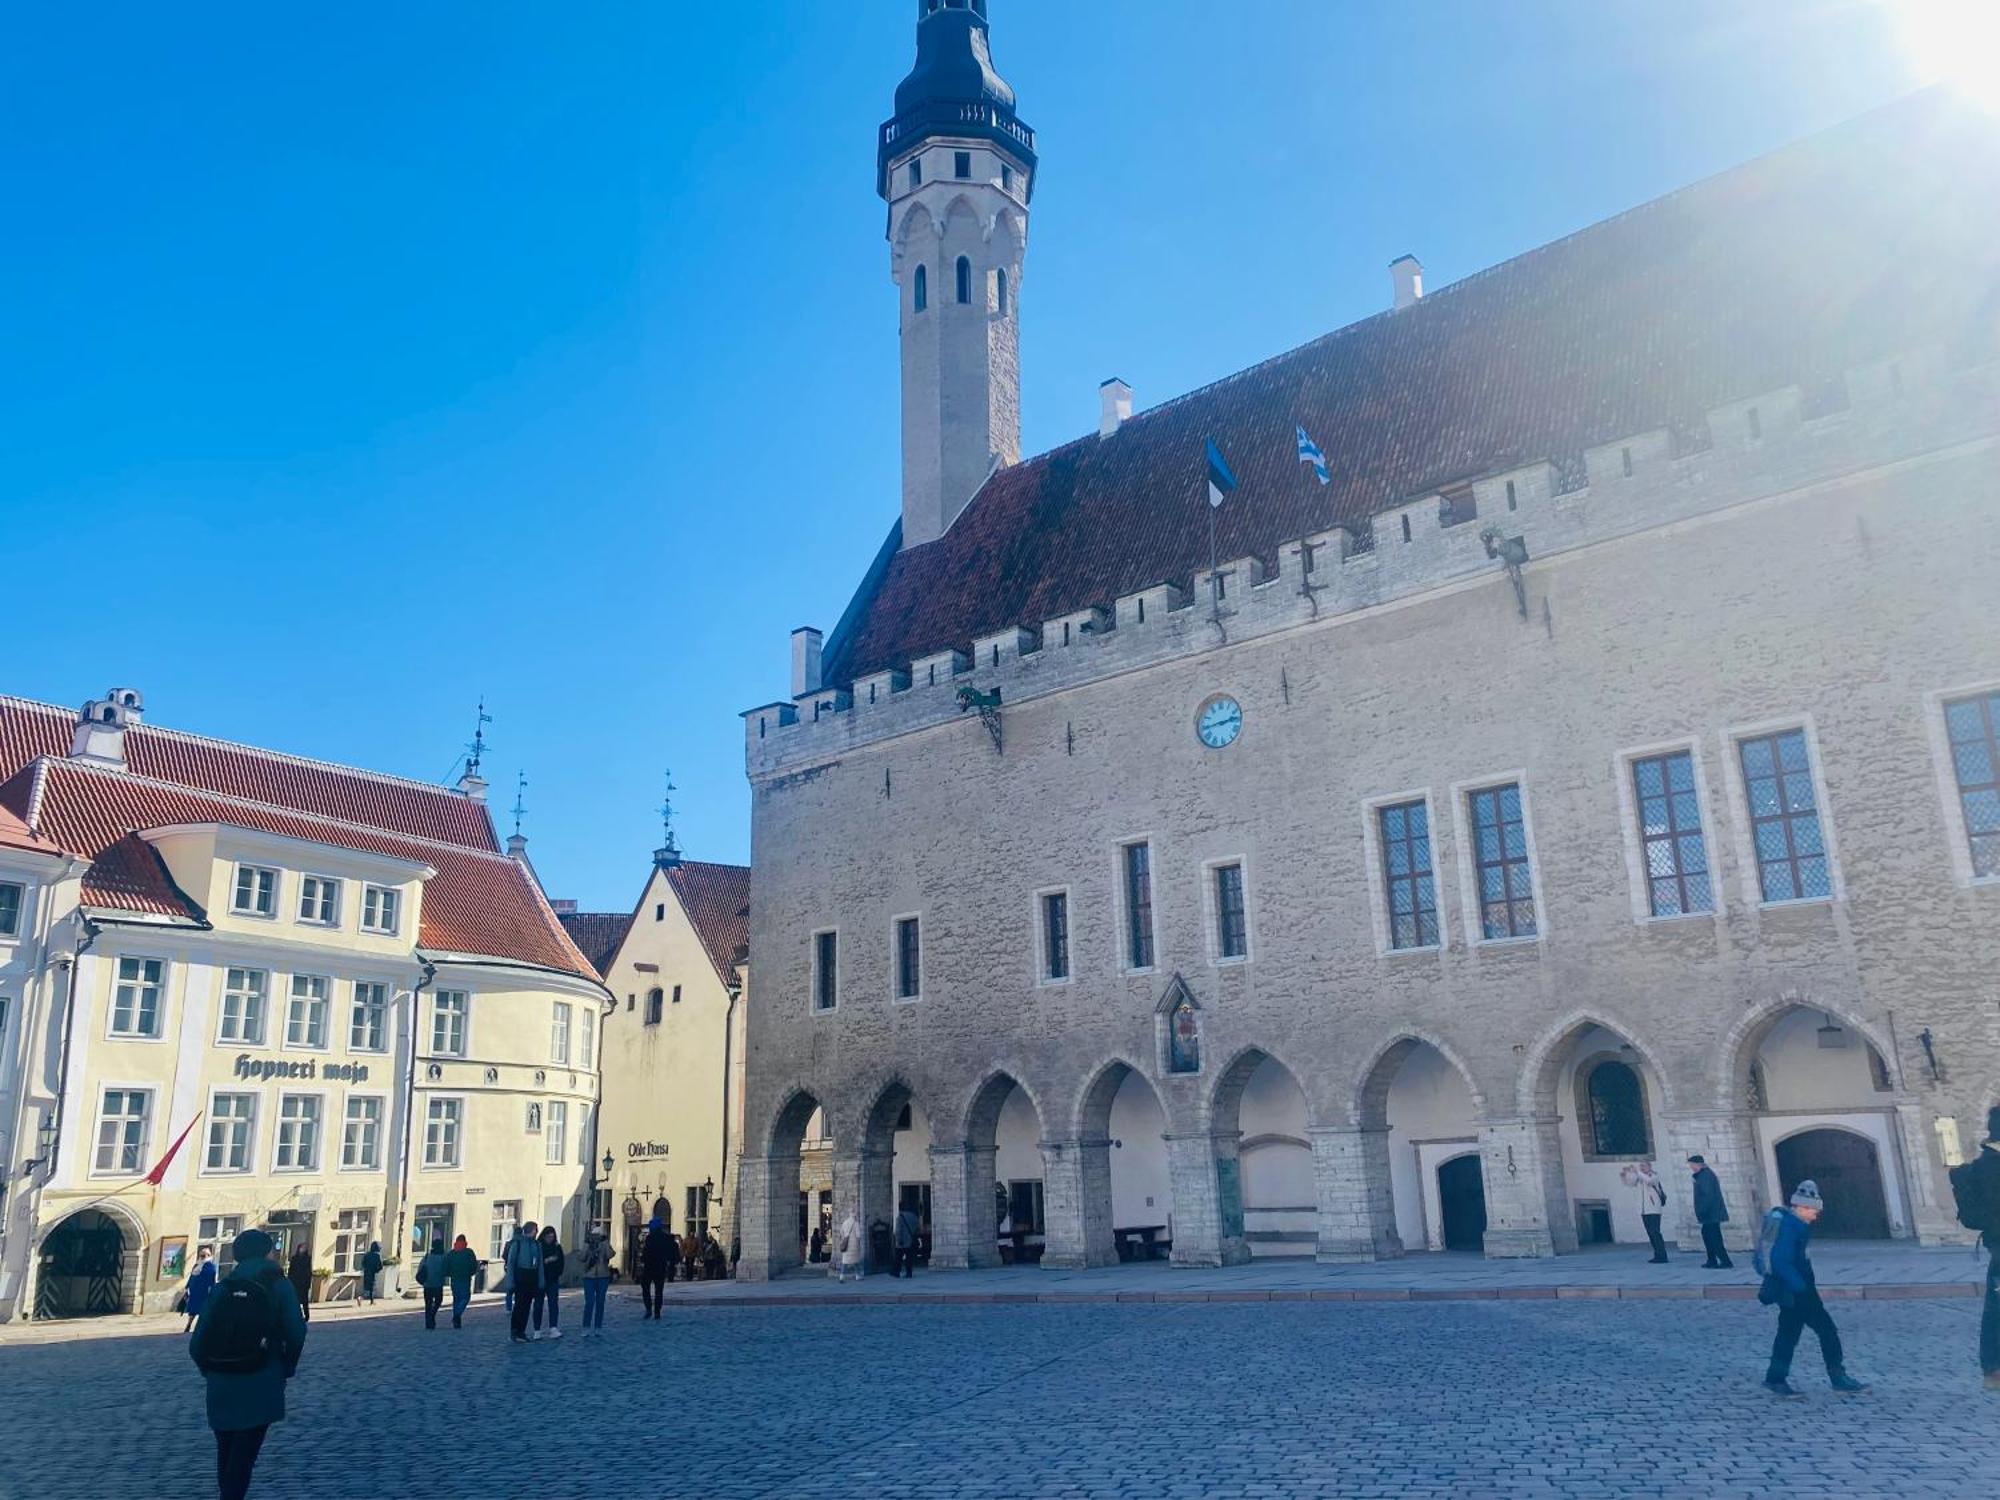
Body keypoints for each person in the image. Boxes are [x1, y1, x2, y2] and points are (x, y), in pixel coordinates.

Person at [190, 1228, 308, 1500]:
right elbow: (296, 1332)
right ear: (268, 1252)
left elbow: (196, 1344)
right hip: (261, 1378)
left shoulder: (224, 1286)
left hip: (221, 1382)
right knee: (244, 1456)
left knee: (227, 1451)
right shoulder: (279, 1284)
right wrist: (286, 1365)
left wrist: (210, 1370)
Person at [1760, 1180, 1868, 1395]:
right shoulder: (1792, 1228)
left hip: (1790, 1289)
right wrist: (1801, 1287)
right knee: (1827, 1331)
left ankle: (1775, 1378)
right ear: (1801, 1207)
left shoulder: (1792, 1224)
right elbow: (1781, 1261)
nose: (1816, 1215)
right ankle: (1838, 1377)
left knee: (1788, 1334)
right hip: (1799, 1290)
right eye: (1814, 1210)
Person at [1947, 1103, 2000, 1392]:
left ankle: (1992, 1369)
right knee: (1997, 1310)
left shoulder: (1985, 1164)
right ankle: (1993, 1370)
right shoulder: (1991, 1167)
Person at [1688, 1155, 1733, 1269]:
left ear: (1698, 1164)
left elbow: (1707, 1195)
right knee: (1708, 1236)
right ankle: (1712, 1260)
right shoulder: (1703, 1175)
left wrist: (1702, 1211)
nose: (1691, 1167)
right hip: (1710, 1213)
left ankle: (1725, 1261)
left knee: (1714, 1237)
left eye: (1692, 1165)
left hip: (1711, 1213)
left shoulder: (1705, 1176)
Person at [502, 1221, 543, 1343]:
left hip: (532, 1276)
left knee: (527, 1306)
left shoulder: (537, 1245)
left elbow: (540, 1264)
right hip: (521, 1276)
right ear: (530, 1230)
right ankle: (514, 1331)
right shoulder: (518, 1244)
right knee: (519, 1305)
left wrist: (541, 1281)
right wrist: (510, 1282)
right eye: (535, 1230)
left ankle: (522, 1331)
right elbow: (511, 1263)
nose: (536, 1232)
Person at [1622, 1162, 1670, 1264]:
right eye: (1641, 1166)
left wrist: (1638, 1172)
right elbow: (1629, 1183)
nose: (1642, 1168)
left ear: (1649, 1166)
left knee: (1655, 1232)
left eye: (1644, 1166)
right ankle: (1657, 1255)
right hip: (1644, 1210)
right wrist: (1627, 1173)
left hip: (1653, 1209)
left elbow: (1649, 1181)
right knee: (1650, 1233)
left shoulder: (1654, 1175)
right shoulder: (1640, 1177)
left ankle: (1662, 1255)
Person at [578, 1229, 614, 1337]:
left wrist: (605, 1242)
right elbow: (581, 1257)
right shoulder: (588, 1244)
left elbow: (610, 1255)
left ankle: (598, 1326)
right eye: (595, 1235)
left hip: (603, 1276)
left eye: (598, 1235)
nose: (596, 1237)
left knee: (600, 1302)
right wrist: (586, 1244)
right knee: (589, 1302)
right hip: (589, 1276)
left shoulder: (604, 1244)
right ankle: (586, 1326)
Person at [532, 1225, 565, 1339]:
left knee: (553, 1304)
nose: (550, 1239)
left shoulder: (557, 1247)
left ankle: (553, 1328)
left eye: (552, 1237)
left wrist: (557, 1273)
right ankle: (537, 1330)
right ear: (544, 1236)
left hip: (553, 1280)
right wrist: (546, 1261)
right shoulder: (538, 1246)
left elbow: (561, 1263)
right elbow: (535, 1262)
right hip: (540, 1279)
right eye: (548, 1237)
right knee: (538, 1305)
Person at [443, 1234, 480, 1329]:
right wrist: (471, 1273)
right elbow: (474, 1265)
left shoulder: (451, 1253)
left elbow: (446, 1266)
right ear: (465, 1242)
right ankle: (457, 1315)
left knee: (456, 1299)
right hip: (465, 1279)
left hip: (454, 1279)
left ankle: (457, 1320)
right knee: (465, 1298)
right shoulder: (468, 1252)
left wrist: (448, 1274)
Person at [639, 1217, 673, 1318]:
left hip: (649, 1267)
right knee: (659, 1290)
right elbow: (670, 1252)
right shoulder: (665, 1237)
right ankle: (657, 1311)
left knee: (645, 1287)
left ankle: (648, 1308)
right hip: (660, 1266)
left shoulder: (650, 1238)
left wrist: (643, 1259)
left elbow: (647, 1252)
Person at [414, 1238, 448, 1330]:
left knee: (428, 1304)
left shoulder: (427, 1256)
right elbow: (446, 1269)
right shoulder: (443, 1257)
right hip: (438, 1283)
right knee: (438, 1301)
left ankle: (428, 1323)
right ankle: (432, 1315)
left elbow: (421, 1267)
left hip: (428, 1284)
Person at [184, 1246, 218, 1334]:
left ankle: (200, 1328)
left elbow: (212, 1280)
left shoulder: (210, 1266)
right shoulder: (196, 1265)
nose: (202, 1257)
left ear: (209, 1255)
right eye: (201, 1255)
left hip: (204, 1292)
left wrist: (212, 1291)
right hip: (194, 1291)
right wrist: (187, 1288)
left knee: (203, 1311)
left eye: (204, 1255)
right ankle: (189, 1324)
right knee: (193, 1311)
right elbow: (191, 1277)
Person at [286, 1244, 313, 1322]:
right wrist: (290, 1280)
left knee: (304, 1301)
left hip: (304, 1283)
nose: (302, 1250)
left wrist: (308, 1283)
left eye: (303, 1248)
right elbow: (291, 1271)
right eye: (301, 1248)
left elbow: (308, 1272)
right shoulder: (294, 1258)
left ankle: (307, 1316)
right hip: (295, 1282)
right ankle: (297, 1315)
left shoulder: (307, 1259)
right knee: (295, 1301)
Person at [834, 1209, 863, 1283]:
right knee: (856, 1261)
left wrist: (844, 1239)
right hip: (854, 1245)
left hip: (846, 1245)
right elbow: (858, 1235)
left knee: (845, 1262)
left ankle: (841, 1277)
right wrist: (859, 1242)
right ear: (855, 1215)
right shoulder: (856, 1223)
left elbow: (841, 1233)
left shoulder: (845, 1222)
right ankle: (857, 1275)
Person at [893, 1203, 921, 1278]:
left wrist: (898, 1240)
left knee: (898, 1257)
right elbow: (918, 1229)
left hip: (902, 1241)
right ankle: (909, 1273)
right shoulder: (914, 1217)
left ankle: (896, 1272)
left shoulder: (900, 1217)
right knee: (909, 1257)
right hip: (911, 1240)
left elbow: (898, 1230)